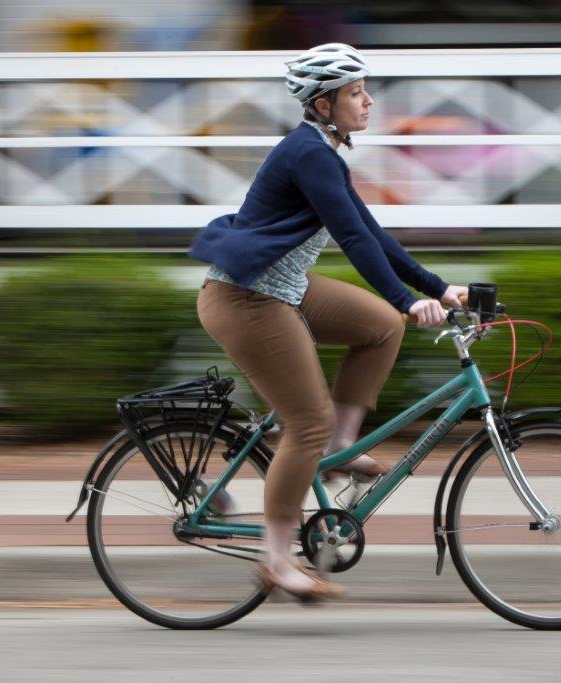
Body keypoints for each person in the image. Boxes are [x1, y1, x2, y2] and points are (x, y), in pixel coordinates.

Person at [190, 43, 467, 601]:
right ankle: (275, 559)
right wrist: (409, 298)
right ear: (323, 103)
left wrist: (434, 289)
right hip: (246, 297)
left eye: (366, 91)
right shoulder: (308, 154)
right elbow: (353, 239)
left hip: (283, 286)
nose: (368, 102)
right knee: (306, 422)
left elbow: (374, 233)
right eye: (356, 93)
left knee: (381, 325)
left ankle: (338, 446)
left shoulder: (326, 153)